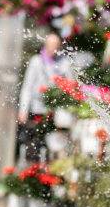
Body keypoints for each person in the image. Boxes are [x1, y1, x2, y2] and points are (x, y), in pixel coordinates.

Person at [17, 32, 72, 162]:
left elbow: (70, 85)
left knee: (54, 142)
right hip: (37, 108)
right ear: (45, 45)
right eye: (50, 45)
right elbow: (27, 87)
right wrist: (23, 109)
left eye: (56, 45)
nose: (53, 48)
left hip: (55, 112)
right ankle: (34, 168)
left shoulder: (64, 63)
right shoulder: (36, 62)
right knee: (35, 141)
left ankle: (51, 168)